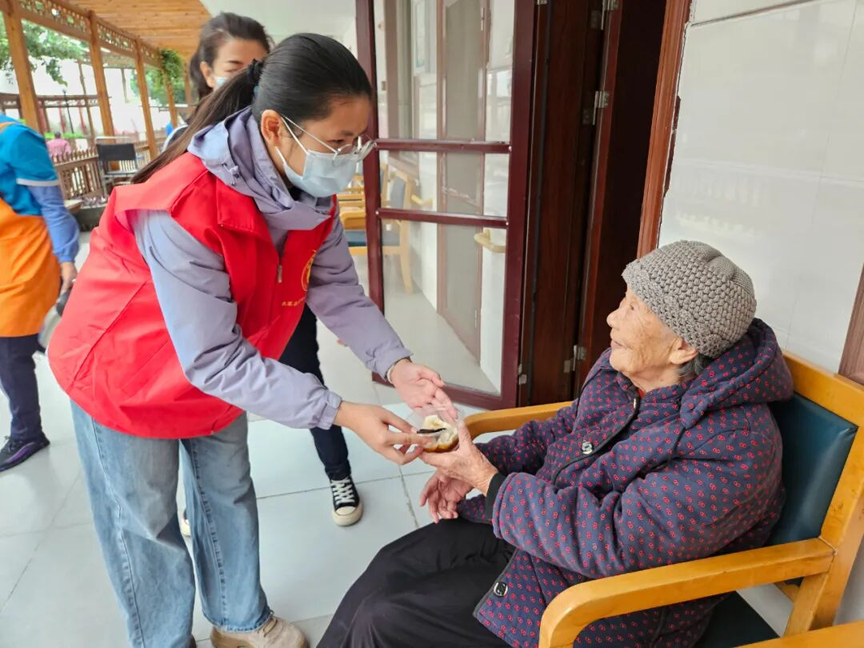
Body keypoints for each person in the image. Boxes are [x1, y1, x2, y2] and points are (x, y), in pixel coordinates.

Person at [48, 34, 450, 648]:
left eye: (358, 141)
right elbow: (211, 357)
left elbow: (336, 290)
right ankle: (163, 640)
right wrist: (340, 412)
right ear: (275, 129)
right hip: (124, 371)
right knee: (146, 523)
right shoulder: (184, 203)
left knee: (229, 492)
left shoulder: (312, 196)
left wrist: (396, 366)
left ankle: (237, 619)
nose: (349, 158)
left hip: (222, 367)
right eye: (338, 142)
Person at [322, 241, 793, 648]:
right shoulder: (626, 371)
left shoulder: (735, 446)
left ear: (683, 347)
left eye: (633, 309)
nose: (612, 317)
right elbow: (563, 430)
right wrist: (475, 466)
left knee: (386, 619)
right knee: (388, 567)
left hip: (601, 599)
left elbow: (615, 543)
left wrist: (486, 480)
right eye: (623, 299)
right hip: (537, 528)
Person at [0, 116, 79, 472]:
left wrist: (67, 261)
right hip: (4, 257)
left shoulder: (15, 138)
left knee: (9, 347)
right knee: (30, 341)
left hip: (27, 254)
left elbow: (51, 205)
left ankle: (27, 432)